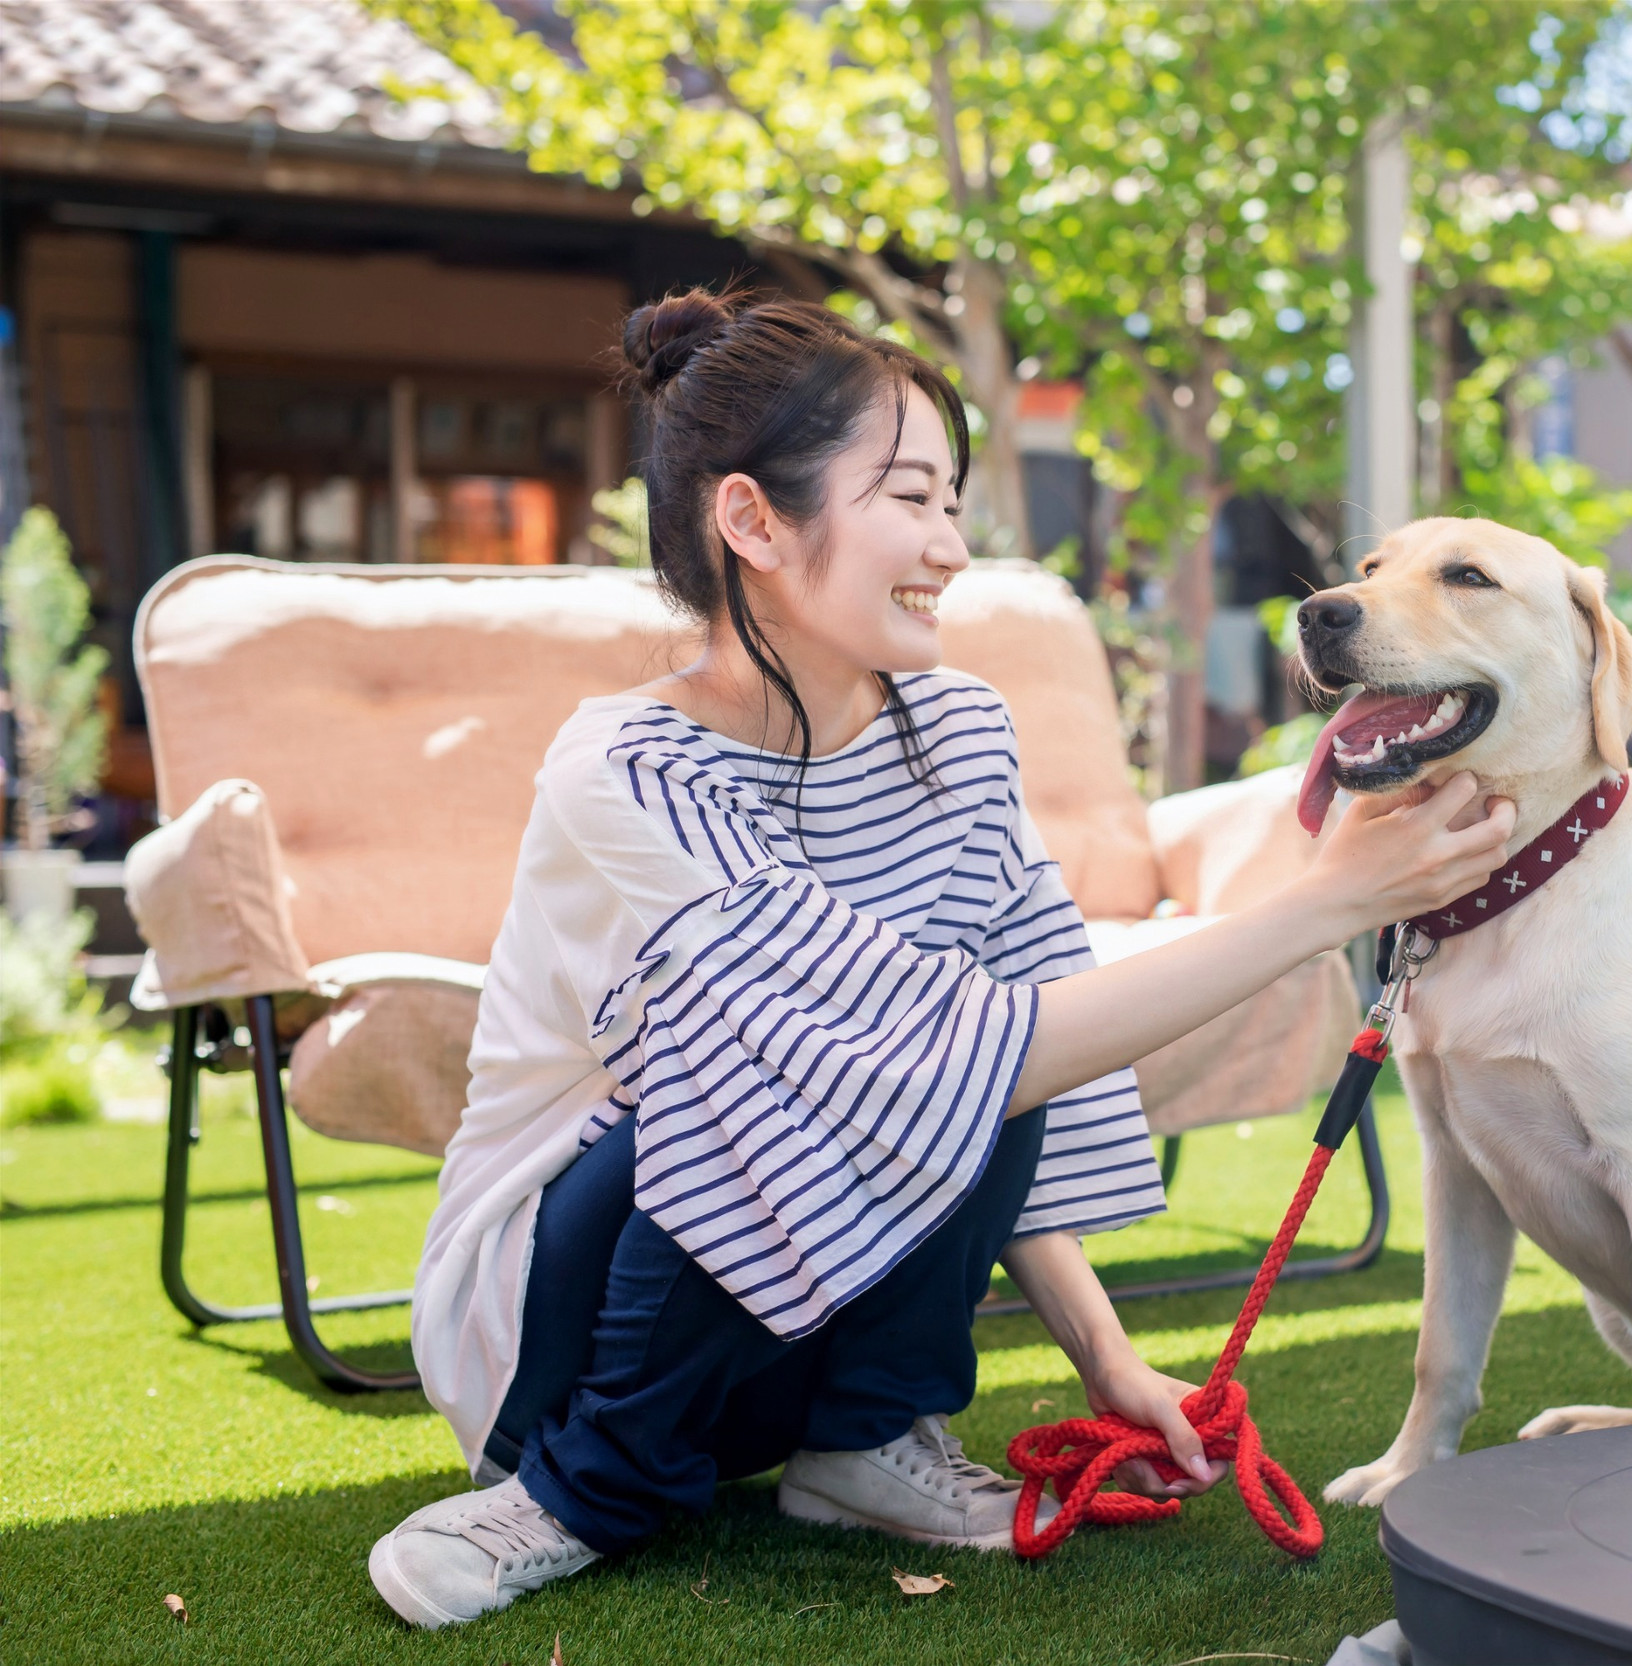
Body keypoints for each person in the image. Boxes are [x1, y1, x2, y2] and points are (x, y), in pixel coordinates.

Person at [366, 290, 1517, 1629]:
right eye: (910, 498)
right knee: (792, 1052)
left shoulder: (959, 730)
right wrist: (1330, 902)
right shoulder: (627, 771)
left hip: (786, 1333)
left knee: (994, 1027)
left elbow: (1027, 1045)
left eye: (952, 501)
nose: (952, 548)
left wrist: (1109, 1359)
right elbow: (914, 1051)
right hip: (563, 1334)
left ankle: (863, 1440)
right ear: (752, 521)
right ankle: (576, 1491)